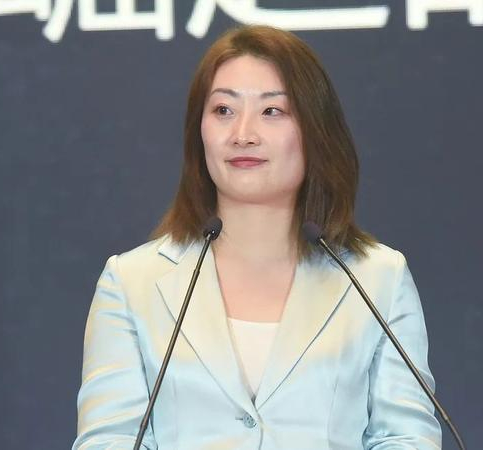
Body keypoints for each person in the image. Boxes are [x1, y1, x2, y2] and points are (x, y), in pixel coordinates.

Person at [72, 25, 442, 450]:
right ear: (198, 131)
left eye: (272, 111)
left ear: (316, 130)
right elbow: (109, 442)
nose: (243, 133)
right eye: (223, 110)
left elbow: (407, 439)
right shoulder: (131, 284)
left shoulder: (378, 279)